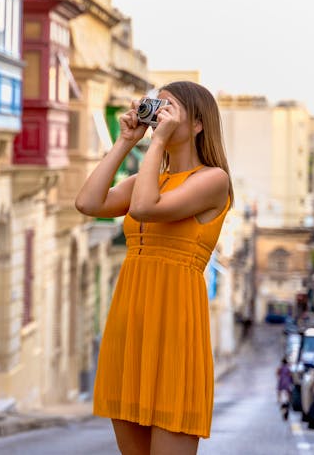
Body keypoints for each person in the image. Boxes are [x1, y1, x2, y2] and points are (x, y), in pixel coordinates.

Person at [75, 81, 233, 455]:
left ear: (197, 123)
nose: (158, 113)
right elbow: (88, 203)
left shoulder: (213, 180)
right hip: (130, 326)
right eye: (155, 105)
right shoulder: (146, 180)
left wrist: (157, 141)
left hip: (176, 328)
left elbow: (146, 208)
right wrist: (126, 141)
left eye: (168, 107)